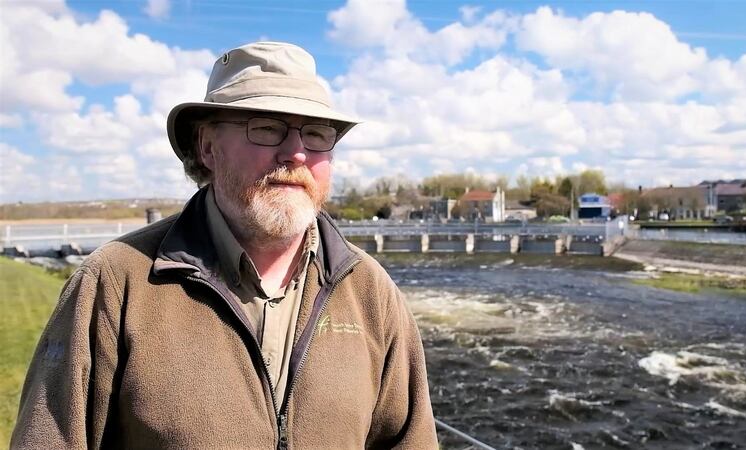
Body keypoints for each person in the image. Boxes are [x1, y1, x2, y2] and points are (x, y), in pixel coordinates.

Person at [12, 42, 438, 449]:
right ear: (208, 147)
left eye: (316, 134)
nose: (296, 154)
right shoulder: (116, 282)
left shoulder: (369, 290)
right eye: (267, 128)